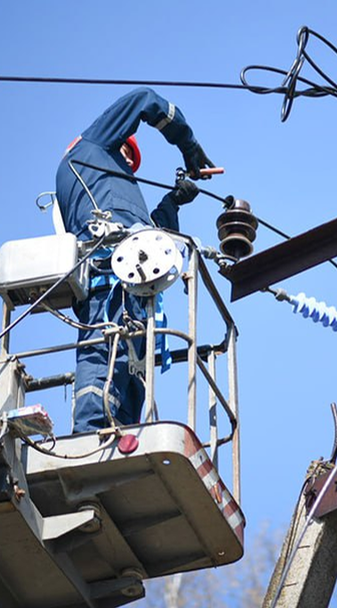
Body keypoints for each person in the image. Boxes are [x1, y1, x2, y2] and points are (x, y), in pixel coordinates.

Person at [55, 88, 214, 433]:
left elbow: (150, 239)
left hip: (137, 289)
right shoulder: (89, 150)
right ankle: (91, 434)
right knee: (105, 356)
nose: (129, 162)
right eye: (124, 151)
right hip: (107, 278)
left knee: (132, 372)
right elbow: (145, 99)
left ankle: (124, 437)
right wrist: (188, 145)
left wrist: (174, 202)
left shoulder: (111, 191)